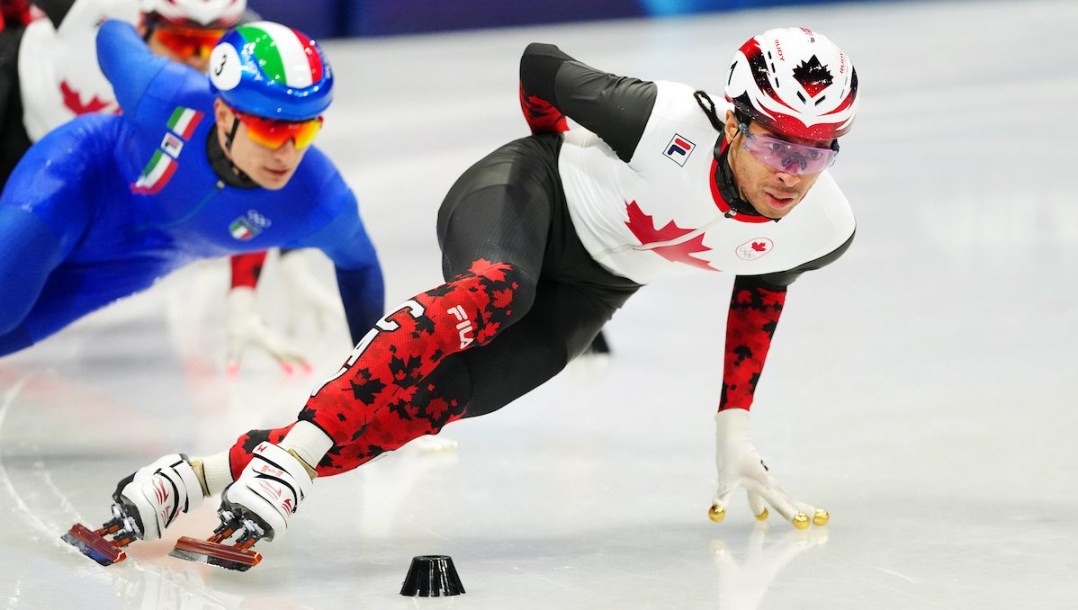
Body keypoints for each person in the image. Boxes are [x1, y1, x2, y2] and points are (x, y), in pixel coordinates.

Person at [91, 27, 858, 555]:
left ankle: (201, 473)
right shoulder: (654, 119)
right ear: (730, 120)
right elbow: (538, 61)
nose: (790, 170)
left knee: (445, 399)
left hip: (591, 290)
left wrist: (734, 426)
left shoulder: (823, 223)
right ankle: (292, 460)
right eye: (772, 142)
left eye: (815, 151)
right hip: (526, 197)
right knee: (496, 292)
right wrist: (552, 145)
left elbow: (763, 282)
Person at [0, 20, 384, 361]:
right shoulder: (165, 94)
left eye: (304, 131)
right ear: (223, 115)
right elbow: (111, 35)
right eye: (270, 130)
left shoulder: (319, 199)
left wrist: (370, 383)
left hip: (133, 262)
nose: (287, 152)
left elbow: (360, 263)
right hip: (78, 178)